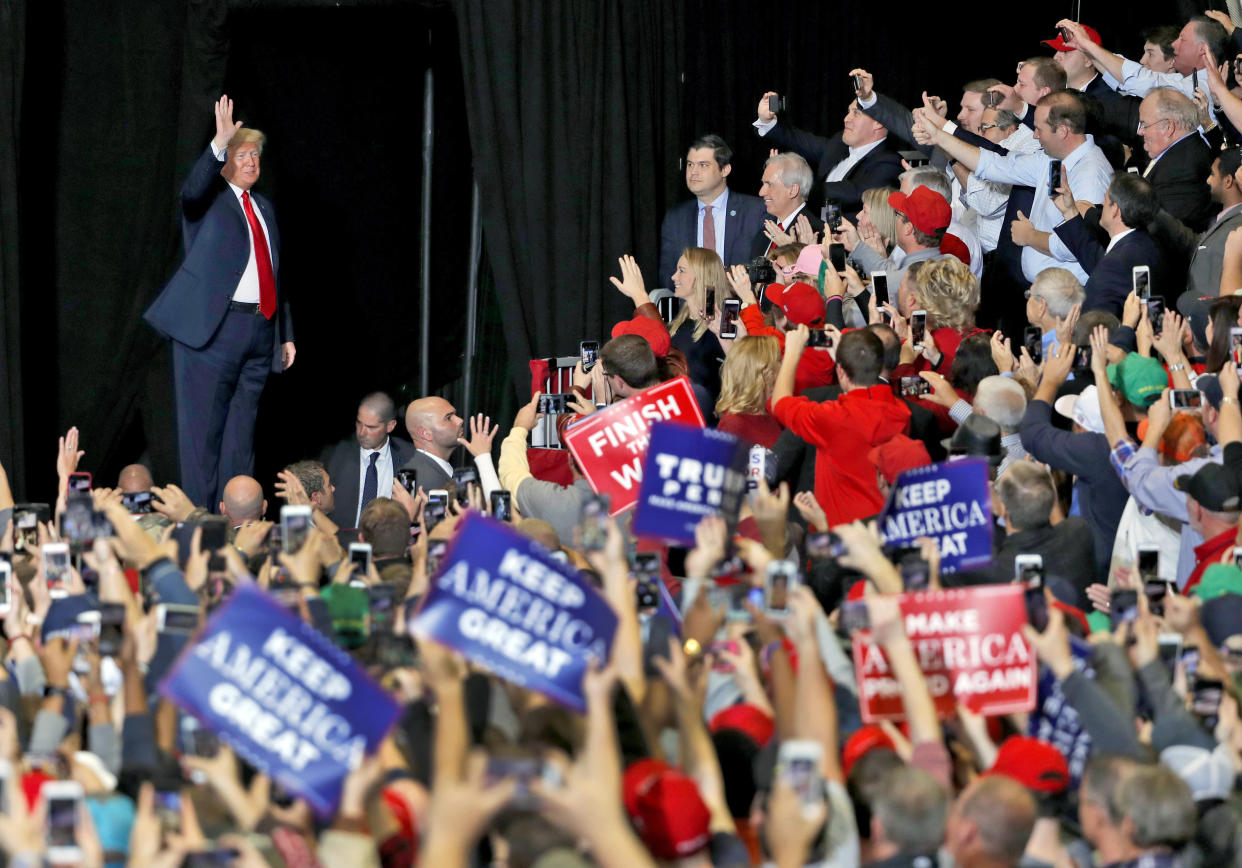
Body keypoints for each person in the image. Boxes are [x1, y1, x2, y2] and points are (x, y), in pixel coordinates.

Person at [143, 95, 296, 509]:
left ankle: (238, 528)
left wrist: (285, 335)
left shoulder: (264, 206)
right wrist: (218, 142)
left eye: (255, 155)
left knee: (240, 444)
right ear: (226, 161)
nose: (250, 161)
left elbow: (275, 275)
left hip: (259, 334)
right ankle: (201, 532)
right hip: (212, 334)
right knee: (202, 444)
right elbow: (190, 191)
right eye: (241, 154)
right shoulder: (208, 198)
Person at [913, 90, 1114, 286]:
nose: (1035, 136)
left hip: (1070, 298)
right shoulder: (1053, 159)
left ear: (1062, 131)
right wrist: (938, 137)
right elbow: (994, 164)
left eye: (1039, 129)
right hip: (1042, 291)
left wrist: (1030, 237)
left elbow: (1079, 245)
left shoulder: (1091, 174)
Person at [771, 326, 910, 526]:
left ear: (841, 372)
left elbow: (779, 403)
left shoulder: (830, 417)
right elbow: (864, 409)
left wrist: (793, 353)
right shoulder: (901, 412)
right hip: (882, 529)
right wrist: (850, 361)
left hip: (839, 537)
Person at [754, 83, 903, 221]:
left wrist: (797, 185)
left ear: (878, 123)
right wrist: (767, 122)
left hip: (849, 240)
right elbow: (799, 140)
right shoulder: (838, 144)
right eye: (848, 112)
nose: (846, 119)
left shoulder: (889, 162)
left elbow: (854, 192)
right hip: (815, 230)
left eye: (856, 113)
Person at [658, 135, 768, 285]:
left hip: (742, 302)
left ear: (725, 170)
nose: (693, 172)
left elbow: (765, 269)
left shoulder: (755, 211)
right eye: (690, 165)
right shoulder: (676, 218)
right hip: (692, 305)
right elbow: (667, 276)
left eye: (703, 165)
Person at [1053, 173, 1165, 316]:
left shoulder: (1121, 260)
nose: (1102, 204)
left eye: (1105, 200)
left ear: (1115, 210)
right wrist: (1069, 211)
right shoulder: (1141, 243)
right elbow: (1098, 262)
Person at [993, 461, 1096, 601]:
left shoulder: (996, 568)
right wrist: (1045, 487)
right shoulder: (1080, 531)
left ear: (1004, 508)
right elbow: (1063, 528)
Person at [321, 392, 415, 529]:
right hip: (342, 542)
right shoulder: (336, 455)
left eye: (371, 427)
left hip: (389, 542)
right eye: (359, 423)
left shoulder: (409, 457)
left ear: (390, 426)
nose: (362, 433)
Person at [1134, 88, 1216, 231]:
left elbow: (1161, 231)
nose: (1140, 131)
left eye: (1144, 124)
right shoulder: (1183, 151)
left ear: (1168, 127)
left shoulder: (1182, 171)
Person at [751, 152, 825, 257]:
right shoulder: (765, 231)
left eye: (769, 184)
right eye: (763, 184)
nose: (761, 192)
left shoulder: (818, 234)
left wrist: (793, 250)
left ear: (792, 190)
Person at [714, 336, 783, 448]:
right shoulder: (733, 425)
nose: (783, 365)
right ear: (763, 373)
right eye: (779, 360)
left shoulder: (768, 414)